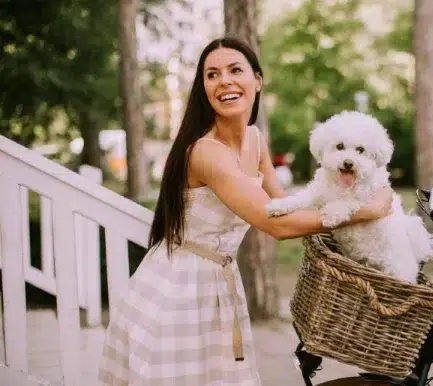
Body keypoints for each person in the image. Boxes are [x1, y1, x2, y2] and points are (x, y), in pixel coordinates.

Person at [97, 36, 393, 385]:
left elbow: (285, 205)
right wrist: (365, 212)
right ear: (203, 87)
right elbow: (276, 226)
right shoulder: (207, 153)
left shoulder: (254, 139)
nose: (224, 81)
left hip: (218, 283)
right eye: (212, 74)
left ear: (257, 80)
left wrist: (359, 193)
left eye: (235, 70)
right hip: (177, 288)